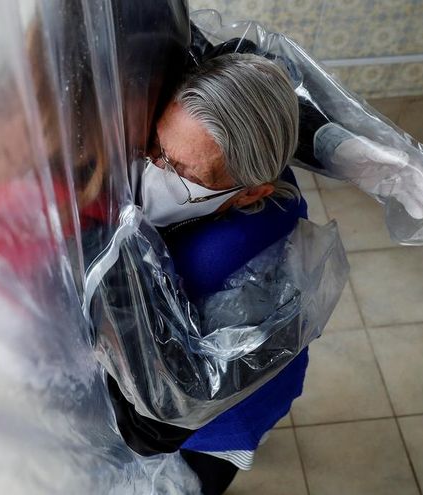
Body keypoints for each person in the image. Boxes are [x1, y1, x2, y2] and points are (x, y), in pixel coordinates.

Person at [109, 52, 314, 495]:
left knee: (199, 480)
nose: (151, 169)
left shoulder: (217, 272)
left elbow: (156, 426)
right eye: (154, 145)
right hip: (246, 382)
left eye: (183, 173)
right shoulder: (262, 179)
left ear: (248, 194)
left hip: (220, 422)